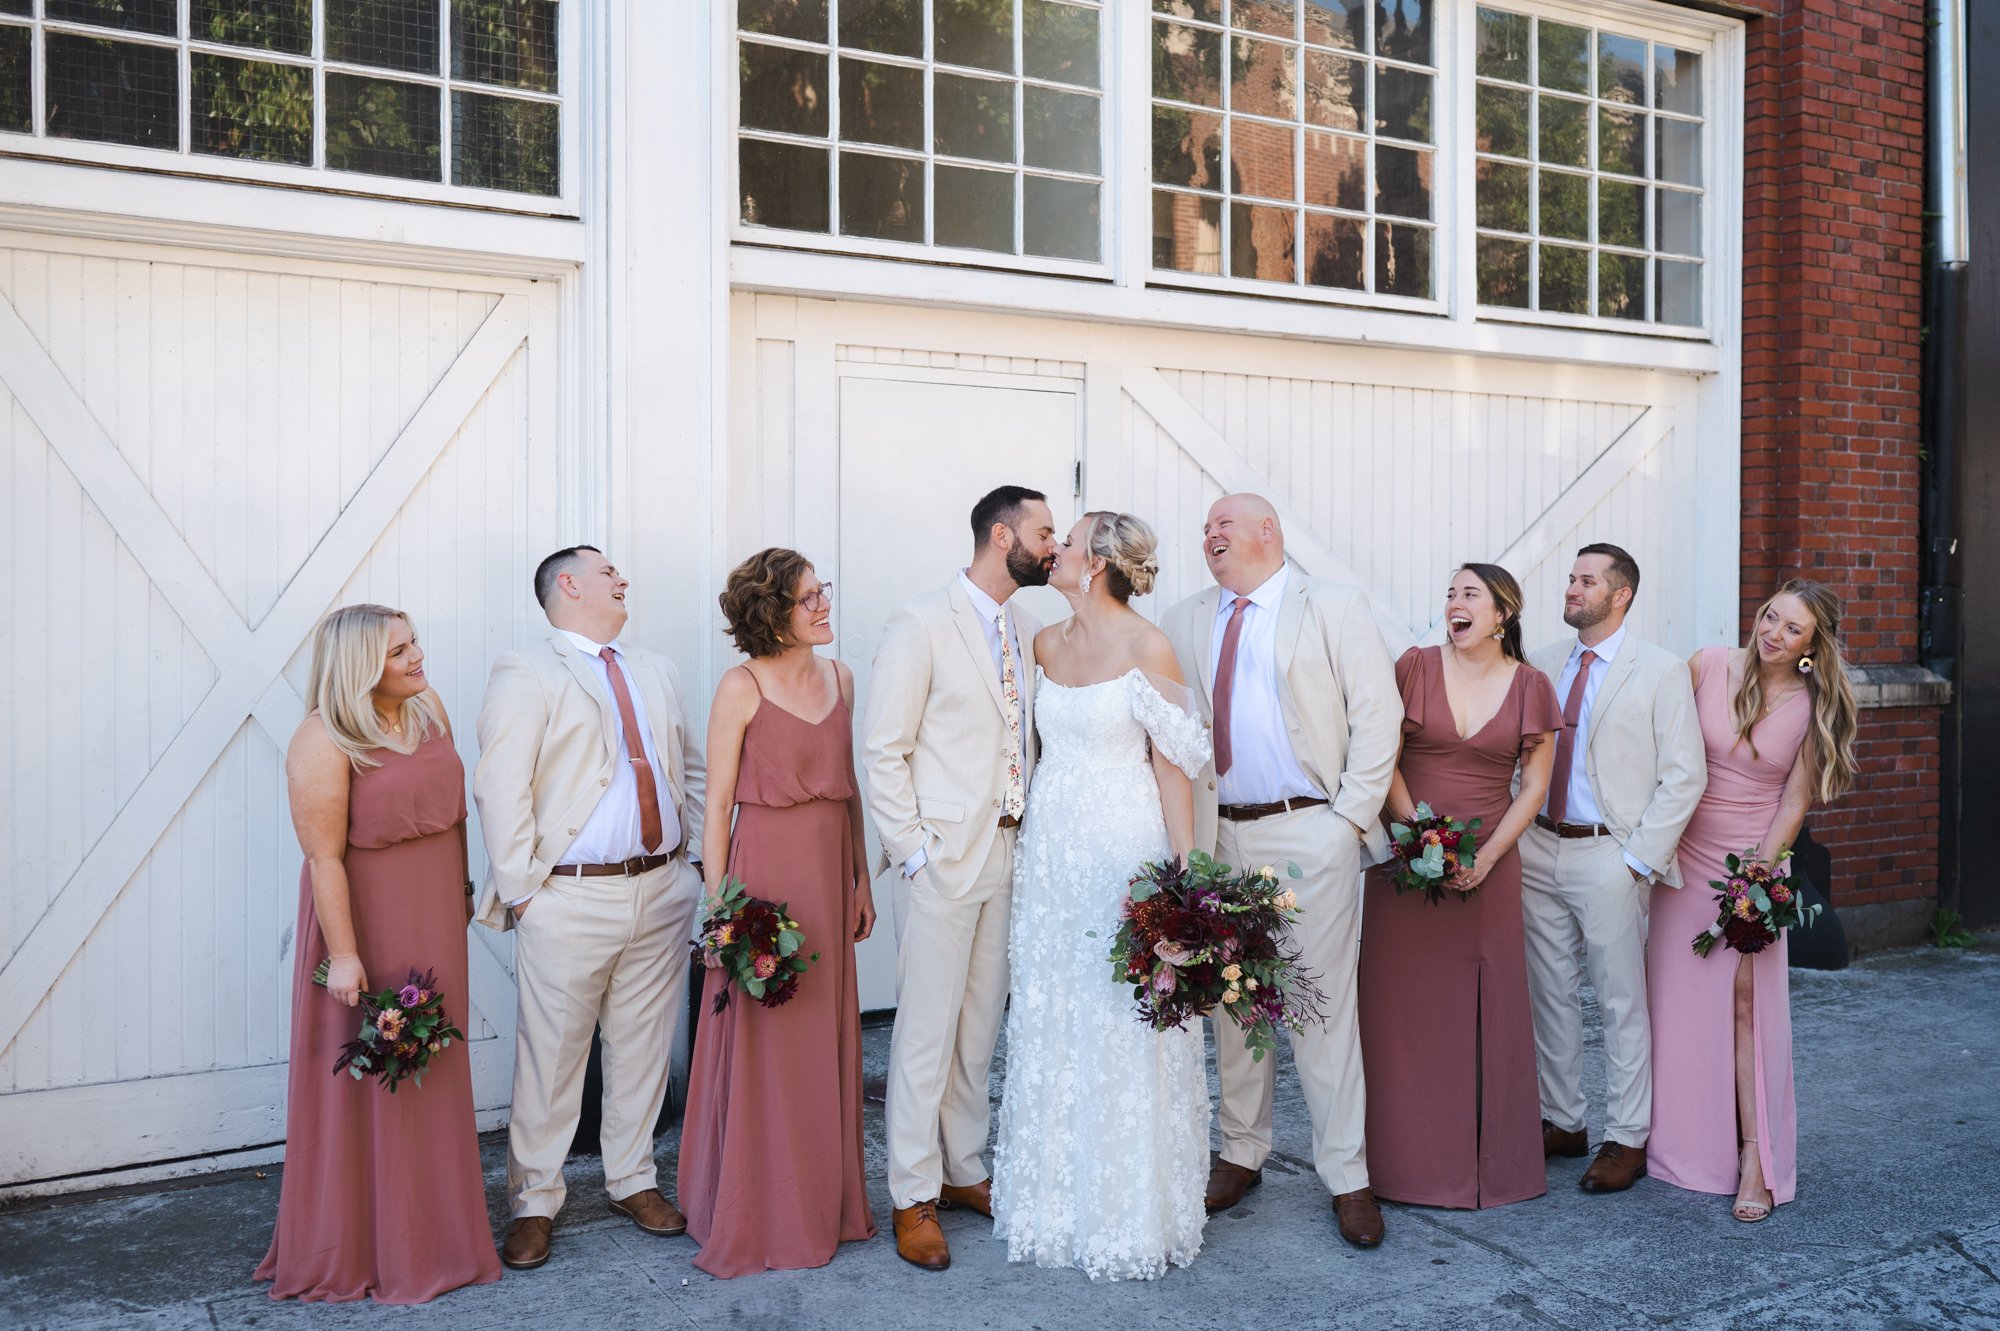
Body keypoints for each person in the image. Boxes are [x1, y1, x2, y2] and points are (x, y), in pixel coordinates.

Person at [1162, 494, 1401, 1249]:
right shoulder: (1185, 617)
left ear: (1269, 532)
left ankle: (1348, 1175)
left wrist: (1347, 822)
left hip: (1310, 827)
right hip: (1219, 833)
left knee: (1318, 1005)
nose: (1210, 538)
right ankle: (1242, 1149)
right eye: (1204, 531)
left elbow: (1378, 715)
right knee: (1233, 1002)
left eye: (1223, 526)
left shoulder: (1331, 604)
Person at [256, 604, 501, 1304]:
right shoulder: (321, 739)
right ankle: (370, 1243)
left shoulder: (428, 706)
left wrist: (459, 888)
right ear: (361, 666)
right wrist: (345, 956)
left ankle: (442, 1237)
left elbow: (452, 815)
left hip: (432, 914)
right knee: (372, 1076)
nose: (418, 656)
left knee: (435, 1069)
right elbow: (324, 857)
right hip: (363, 921)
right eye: (399, 651)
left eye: (415, 640)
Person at [992, 512, 1213, 1281]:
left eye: (1068, 540)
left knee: (1122, 1020)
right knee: (1056, 1011)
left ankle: (1129, 1209)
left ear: (1098, 563)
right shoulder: (1044, 643)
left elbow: (1174, 766)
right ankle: (1053, 1201)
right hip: (1054, 855)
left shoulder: (1148, 645)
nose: (1052, 548)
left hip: (1124, 847)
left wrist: (1187, 882)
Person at [472, 546, 706, 1270]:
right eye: (607, 571)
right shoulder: (528, 670)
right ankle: (535, 1201)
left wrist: (692, 861)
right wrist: (525, 894)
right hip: (568, 894)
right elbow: (500, 785)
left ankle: (632, 1178)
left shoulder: (656, 667)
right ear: (568, 585)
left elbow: (688, 766)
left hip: (660, 886)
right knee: (553, 1056)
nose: (623, 578)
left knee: (641, 1048)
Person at [862, 486, 1059, 1270]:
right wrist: (912, 852)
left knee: (979, 1025)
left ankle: (963, 1166)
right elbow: (883, 748)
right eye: (1044, 532)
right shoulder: (920, 623)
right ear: (1001, 534)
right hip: (942, 858)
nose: (1052, 545)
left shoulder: (1028, 626)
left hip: (1010, 851)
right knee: (923, 1035)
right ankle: (912, 1193)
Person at [677, 549, 879, 1275]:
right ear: (773, 614)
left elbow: (850, 791)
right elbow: (717, 805)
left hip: (829, 870)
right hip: (764, 874)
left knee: (822, 1033)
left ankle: (824, 1200)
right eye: (808, 598)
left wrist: (861, 876)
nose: (824, 605)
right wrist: (717, 907)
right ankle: (756, 1206)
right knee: (768, 1038)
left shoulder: (841, 677)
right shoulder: (740, 686)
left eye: (824, 591)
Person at [1648, 580, 1858, 1221]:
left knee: (1745, 1004)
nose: (1772, 632)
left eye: (1791, 628)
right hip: (1682, 862)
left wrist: (1759, 881)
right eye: (1771, 616)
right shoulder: (1707, 664)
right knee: (1678, 1005)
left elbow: (1794, 800)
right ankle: (1680, 1147)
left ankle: (1752, 1158)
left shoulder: (1814, 704)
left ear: (1813, 646)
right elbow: (1656, 752)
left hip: (1752, 863)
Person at [1357, 565, 1561, 1209]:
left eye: (1469, 593)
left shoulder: (1531, 685)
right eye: (1448, 592)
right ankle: (1399, 1168)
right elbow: (1382, 759)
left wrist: (1490, 856)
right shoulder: (1413, 667)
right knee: (1401, 1011)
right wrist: (1419, 836)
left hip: (1490, 868)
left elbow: (1534, 787)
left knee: (1490, 1009)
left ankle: (1489, 1169)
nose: (1454, 603)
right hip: (1407, 859)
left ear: (1503, 614)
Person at [1521, 544, 1706, 1193]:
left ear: (1620, 593)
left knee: (1620, 1000)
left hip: (1610, 852)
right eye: (1570, 578)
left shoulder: (1658, 670)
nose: (1572, 588)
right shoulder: (1540, 664)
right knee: (1547, 993)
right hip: (1539, 846)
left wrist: (1634, 862)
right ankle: (1562, 1119)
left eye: (1586, 580)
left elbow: (1686, 773)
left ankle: (1626, 1134)